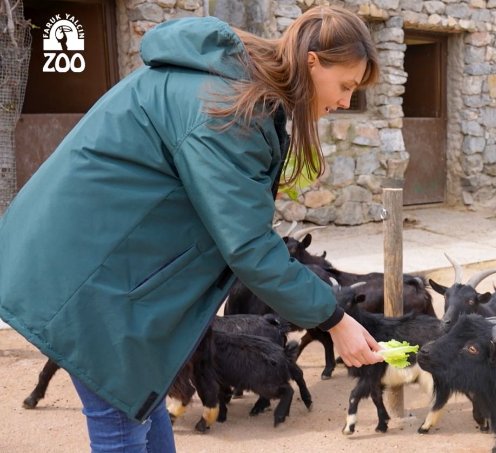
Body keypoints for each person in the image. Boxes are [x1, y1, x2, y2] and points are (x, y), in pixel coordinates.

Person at [0, 5, 383, 451]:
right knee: (121, 426)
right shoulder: (228, 108)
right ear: (313, 62)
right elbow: (249, 246)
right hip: (86, 272)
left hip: (103, 262)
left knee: (138, 407)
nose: (345, 102)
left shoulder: (234, 90)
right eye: (345, 86)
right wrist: (334, 319)